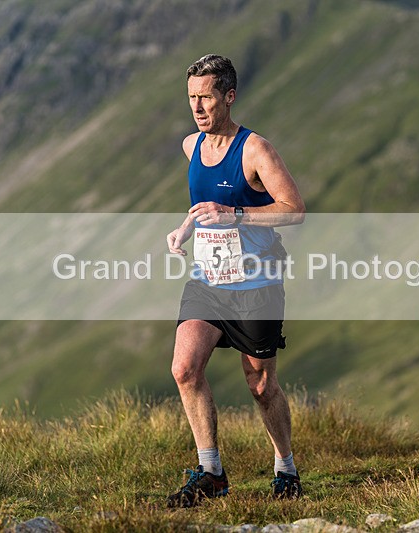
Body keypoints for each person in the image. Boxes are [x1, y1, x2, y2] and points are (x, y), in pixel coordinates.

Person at [165, 54, 306, 507]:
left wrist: (236, 213)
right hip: (208, 280)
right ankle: (211, 472)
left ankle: (285, 469)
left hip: (256, 285)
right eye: (191, 98)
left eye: (206, 97)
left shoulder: (255, 150)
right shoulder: (191, 147)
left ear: (229, 96)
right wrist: (186, 228)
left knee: (261, 385)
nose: (198, 107)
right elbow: (203, 206)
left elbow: (294, 209)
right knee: (185, 369)